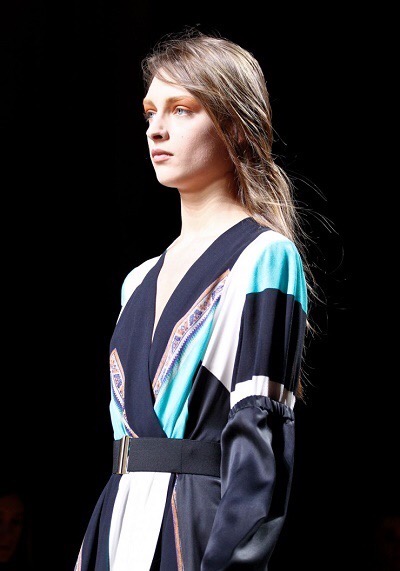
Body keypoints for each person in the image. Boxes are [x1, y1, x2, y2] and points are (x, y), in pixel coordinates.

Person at [75, 27, 314, 570]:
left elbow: (260, 444)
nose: (156, 129)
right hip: (116, 524)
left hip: (194, 528)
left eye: (181, 109)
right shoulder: (137, 282)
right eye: (149, 112)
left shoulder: (264, 257)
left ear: (235, 125)